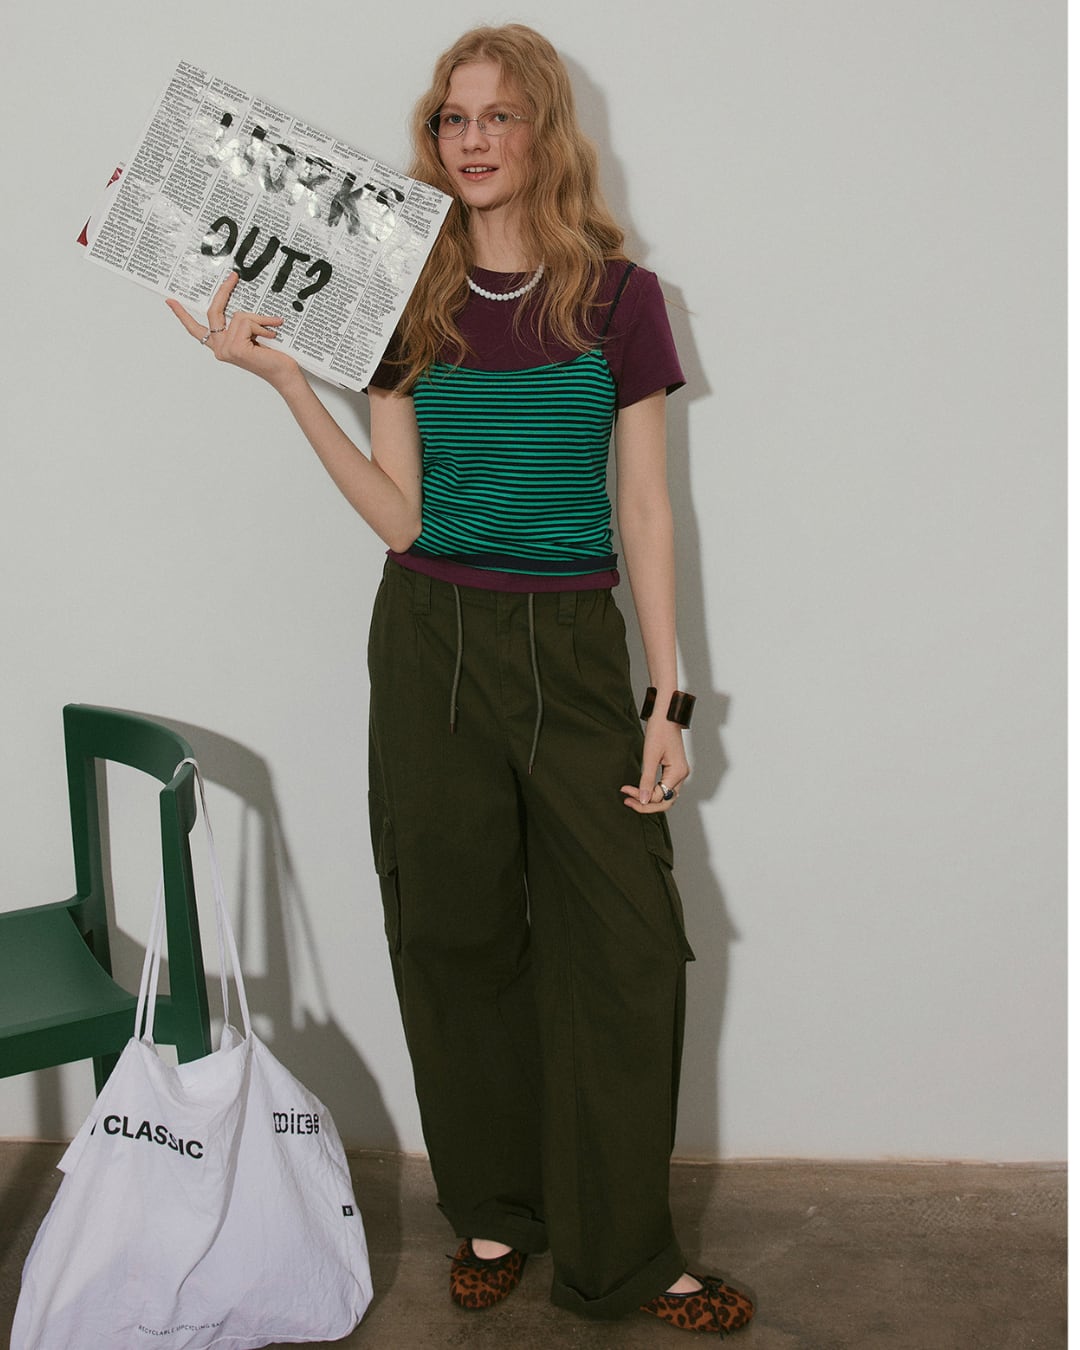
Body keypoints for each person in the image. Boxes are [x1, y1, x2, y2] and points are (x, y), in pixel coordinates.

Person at [168, 23, 753, 1336]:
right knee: (454, 930)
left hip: (573, 647)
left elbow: (646, 509)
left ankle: (624, 1254)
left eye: (498, 116)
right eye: (452, 117)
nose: (472, 139)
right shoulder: (400, 293)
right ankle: (494, 1209)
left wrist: (668, 697)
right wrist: (288, 382)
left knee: (628, 948)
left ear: (544, 132)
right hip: (432, 639)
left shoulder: (620, 298)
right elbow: (400, 517)